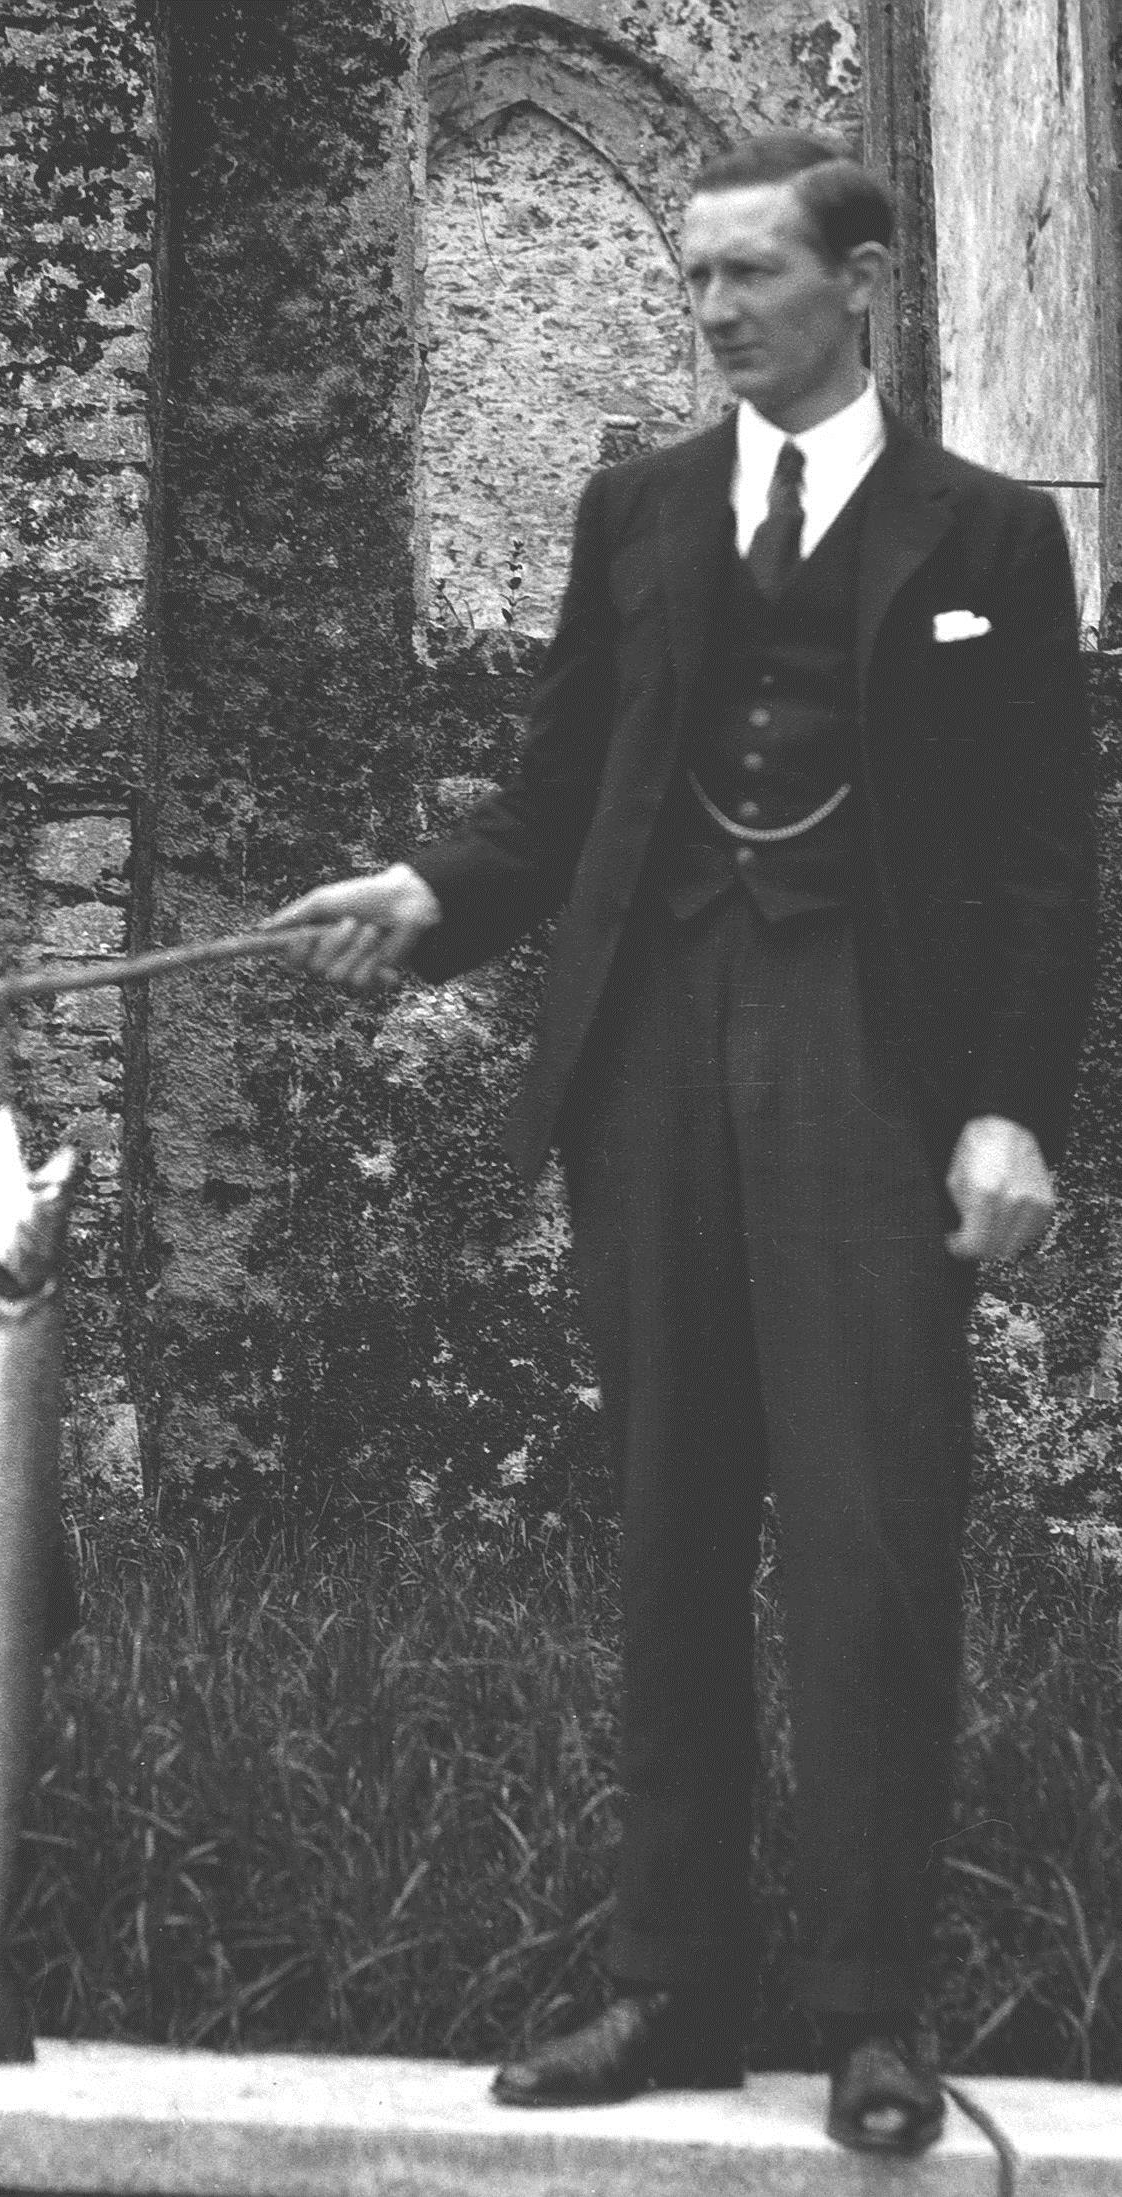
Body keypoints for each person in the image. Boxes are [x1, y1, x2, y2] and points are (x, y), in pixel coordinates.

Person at [273, 132, 1094, 2153]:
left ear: (863, 284)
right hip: (651, 1060)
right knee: (666, 1529)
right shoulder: (633, 512)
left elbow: (1038, 865)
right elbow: (558, 805)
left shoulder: (987, 535)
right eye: (695, 279)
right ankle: (671, 1983)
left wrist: (1005, 1105)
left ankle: (872, 2011)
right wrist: (429, 895)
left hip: (867, 1064)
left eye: (750, 275)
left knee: (872, 1542)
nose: (715, 311)